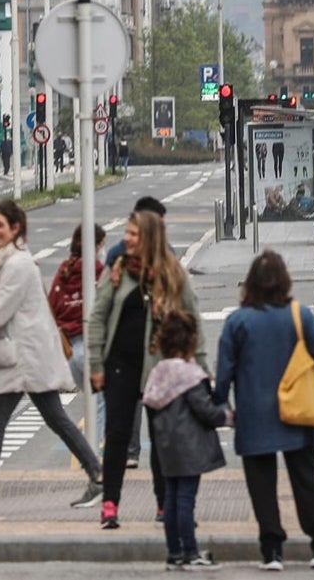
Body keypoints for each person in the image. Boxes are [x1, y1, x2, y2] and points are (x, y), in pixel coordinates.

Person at [0, 200, 102, 507]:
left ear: (16, 228)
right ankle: (96, 474)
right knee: (55, 419)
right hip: (27, 355)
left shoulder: (16, 265)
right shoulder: (14, 260)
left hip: (23, 358)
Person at [214, 251, 314, 571]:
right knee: (305, 478)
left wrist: (223, 404)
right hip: (296, 409)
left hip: (253, 413)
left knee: (261, 483)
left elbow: (223, 373)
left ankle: (272, 549)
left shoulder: (238, 321)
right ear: (284, 281)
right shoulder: (296, 314)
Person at [87, 209, 202, 528]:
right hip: (120, 365)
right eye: (127, 233)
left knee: (161, 436)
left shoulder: (172, 273)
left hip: (160, 368)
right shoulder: (118, 269)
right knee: (117, 435)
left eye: (133, 234)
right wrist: (96, 364)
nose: (127, 239)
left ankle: (164, 503)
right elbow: (97, 317)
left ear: (149, 237)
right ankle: (110, 504)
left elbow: (193, 319)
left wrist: (200, 367)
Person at [146, 311, 231, 570]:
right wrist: (230, 417)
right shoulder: (189, 375)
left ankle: (174, 552)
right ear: (190, 340)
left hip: (166, 447)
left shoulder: (158, 372)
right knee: (185, 500)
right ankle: (191, 552)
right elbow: (204, 410)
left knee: (171, 498)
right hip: (189, 447)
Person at [104, 196, 169, 469]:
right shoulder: (120, 258)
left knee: (137, 407)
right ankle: (131, 455)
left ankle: (133, 453)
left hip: (151, 348)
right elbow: (102, 306)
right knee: (142, 407)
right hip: (129, 349)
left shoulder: (166, 257)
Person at [48, 222, 107, 443]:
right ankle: (93, 448)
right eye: (102, 244)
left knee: (92, 400)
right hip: (92, 347)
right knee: (101, 402)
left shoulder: (64, 270)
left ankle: (90, 446)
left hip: (70, 350)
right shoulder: (98, 271)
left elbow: (52, 306)